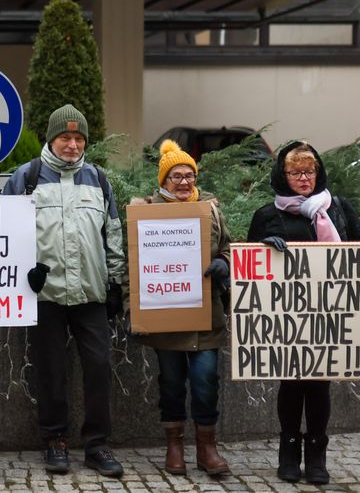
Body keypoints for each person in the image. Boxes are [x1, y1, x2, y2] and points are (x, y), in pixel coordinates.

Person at [1, 104, 127, 478]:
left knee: (99, 368)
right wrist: (21, 276)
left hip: (91, 293)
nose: (72, 145)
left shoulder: (98, 179)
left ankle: (97, 445)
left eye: (78, 138)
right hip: (45, 296)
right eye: (65, 137)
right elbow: (3, 235)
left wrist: (116, 283)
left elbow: (113, 235)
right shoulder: (26, 178)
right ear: (51, 139)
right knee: (50, 371)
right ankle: (55, 440)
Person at [247, 141, 360, 485]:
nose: (303, 178)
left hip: (331, 309)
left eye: (309, 171)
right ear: (282, 175)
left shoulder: (338, 208)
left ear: (319, 173)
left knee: (319, 385)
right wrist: (264, 248)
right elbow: (249, 266)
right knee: (292, 383)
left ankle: (316, 454)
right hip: (288, 315)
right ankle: (288, 452)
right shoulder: (267, 215)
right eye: (295, 172)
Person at [135, 140, 232, 477]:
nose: (184, 182)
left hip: (206, 315)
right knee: (172, 383)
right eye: (176, 176)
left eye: (189, 175)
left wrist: (223, 263)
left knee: (206, 380)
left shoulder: (211, 209)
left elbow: (228, 247)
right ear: (163, 180)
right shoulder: (148, 213)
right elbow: (135, 262)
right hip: (167, 314)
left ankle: (207, 447)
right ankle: (174, 445)